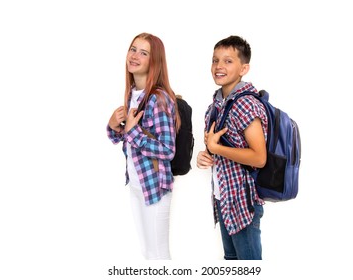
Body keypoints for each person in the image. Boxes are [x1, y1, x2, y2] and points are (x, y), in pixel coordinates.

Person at [106, 32, 180, 260]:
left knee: (159, 254)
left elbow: (167, 150)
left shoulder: (158, 98)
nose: (134, 55)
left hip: (155, 185)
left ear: (154, 61)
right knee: (147, 253)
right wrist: (113, 127)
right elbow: (125, 139)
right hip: (137, 184)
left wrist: (132, 131)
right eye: (133, 49)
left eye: (143, 52)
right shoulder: (133, 95)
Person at [196, 35, 268, 260]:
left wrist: (217, 150)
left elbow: (259, 158)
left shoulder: (246, 104)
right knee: (231, 262)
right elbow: (214, 147)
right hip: (223, 199)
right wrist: (205, 156)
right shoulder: (215, 106)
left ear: (243, 68)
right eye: (215, 60)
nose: (219, 66)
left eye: (228, 61)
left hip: (242, 203)